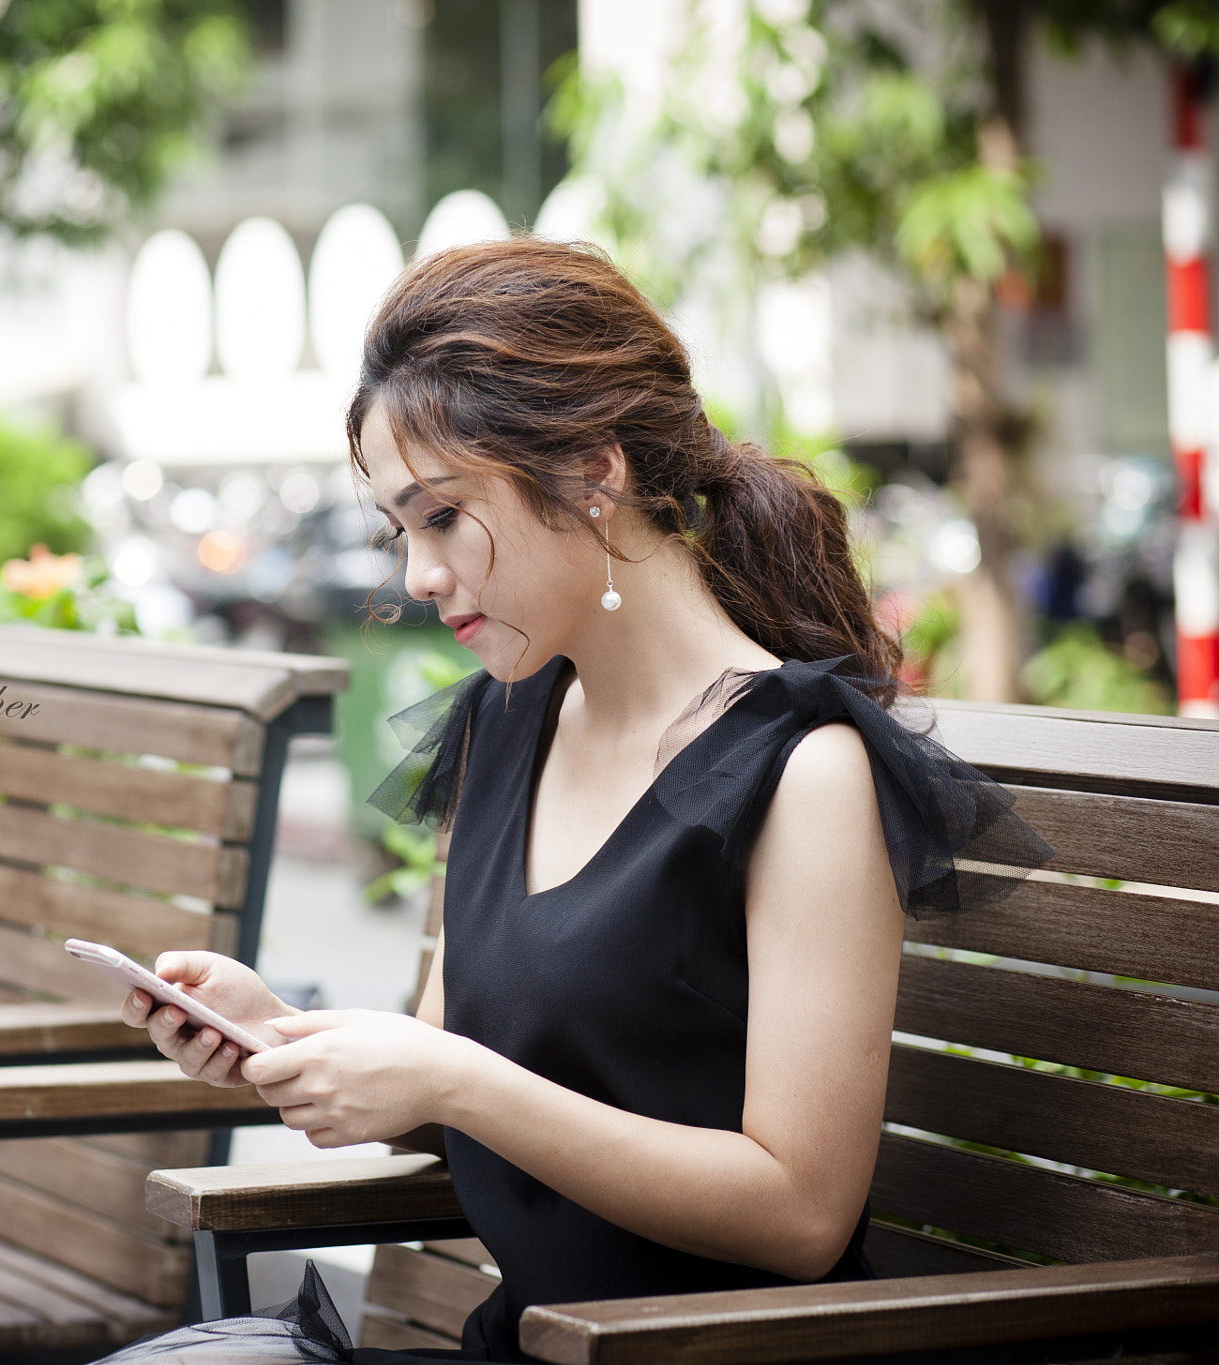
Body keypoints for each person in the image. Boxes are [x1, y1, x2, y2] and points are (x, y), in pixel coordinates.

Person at [93, 239, 1052, 1365]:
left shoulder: (800, 771)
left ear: (592, 477)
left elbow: (798, 1215)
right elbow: (451, 1058)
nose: (415, 577)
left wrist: (452, 1079)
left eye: (442, 517)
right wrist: (275, 1036)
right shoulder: (505, 721)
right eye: (397, 530)